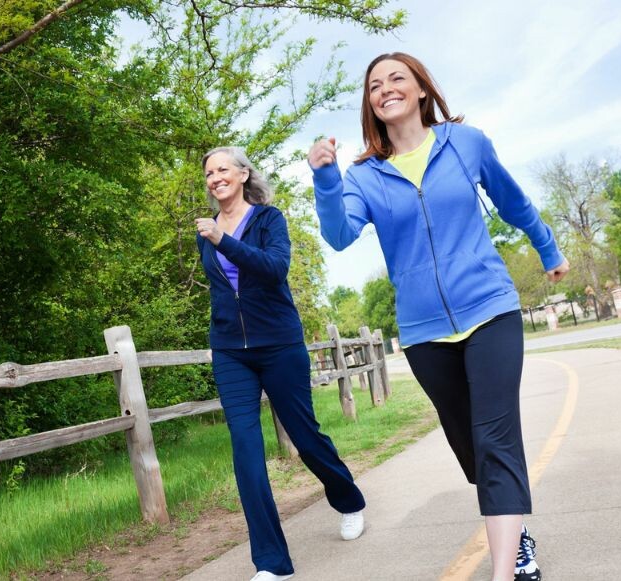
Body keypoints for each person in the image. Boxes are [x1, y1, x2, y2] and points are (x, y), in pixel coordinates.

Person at [308, 52, 568, 581]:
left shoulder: (466, 143)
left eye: (396, 78)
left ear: (422, 89)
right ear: (370, 104)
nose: (385, 89)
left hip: (490, 308)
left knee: (496, 439)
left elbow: (513, 202)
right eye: (375, 85)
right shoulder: (364, 175)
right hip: (426, 330)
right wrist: (327, 180)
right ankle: (515, 529)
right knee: (468, 443)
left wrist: (549, 249)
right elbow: (338, 237)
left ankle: (507, 568)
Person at [195, 146, 366, 581]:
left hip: (279, 345)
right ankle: (272, 562)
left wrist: (223, 241)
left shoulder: (269, 219)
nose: (214, 177)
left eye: (222, 169)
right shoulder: (206, 230)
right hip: (232, 353)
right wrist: (219, 335)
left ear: (242, 173)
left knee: (306, 436)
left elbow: (274, 269)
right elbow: (220, 291)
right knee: (246, 450)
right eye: (208, 173)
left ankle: (348, 500)